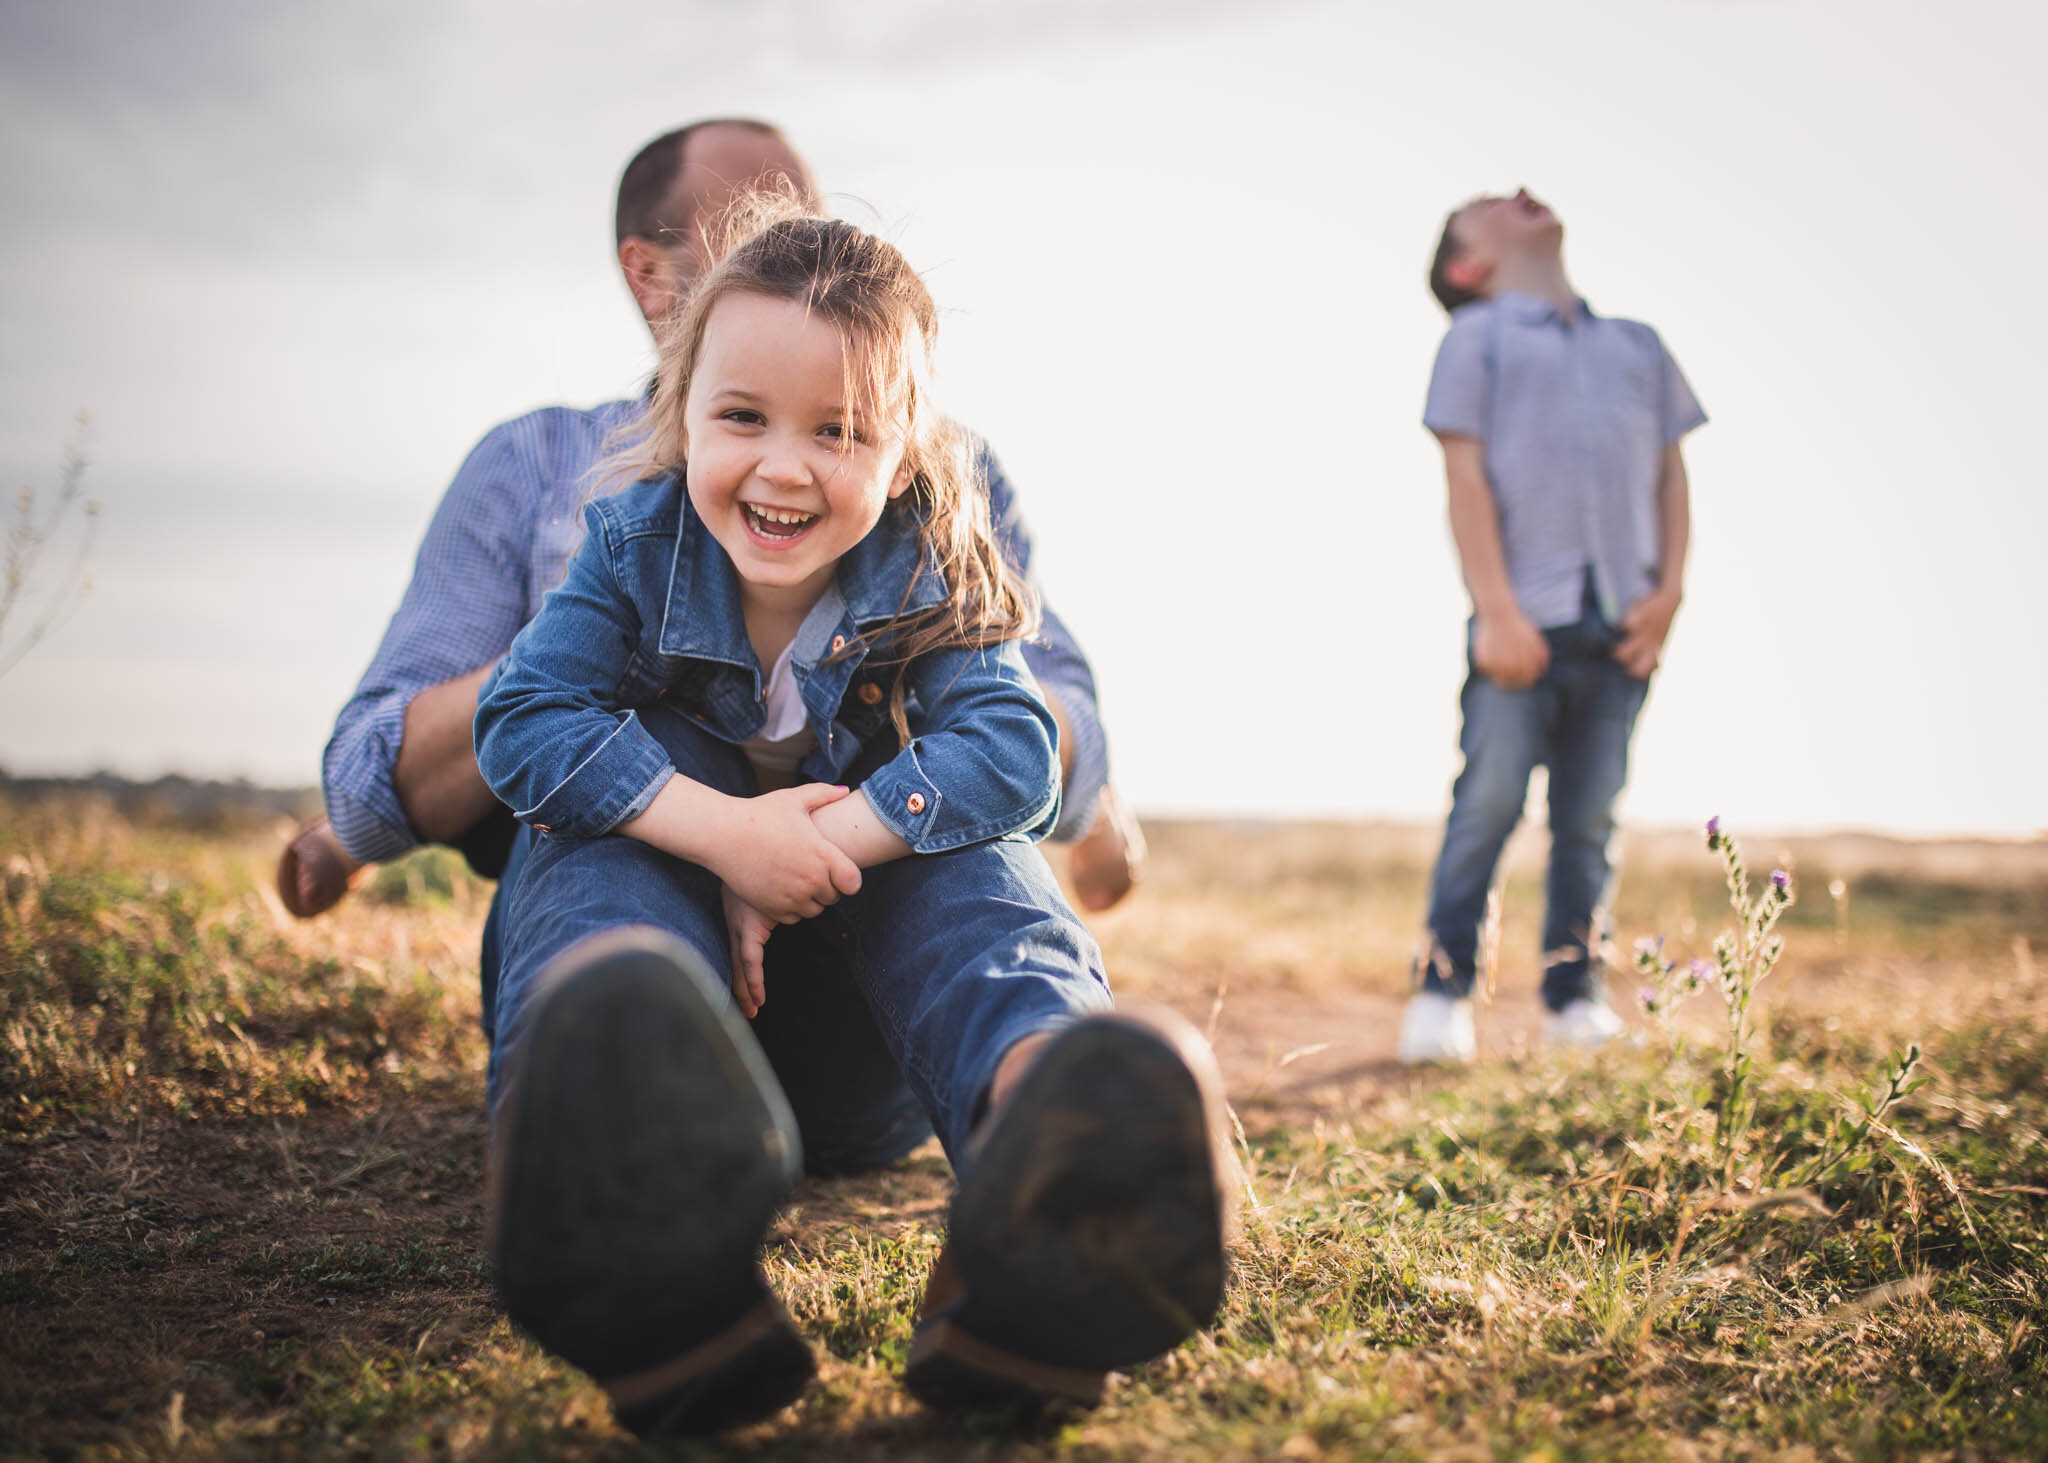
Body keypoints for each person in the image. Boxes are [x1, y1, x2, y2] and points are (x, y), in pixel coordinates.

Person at [471, 202, 1230, 1437]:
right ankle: (621, 1194)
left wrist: (820, 845)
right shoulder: (629, 546)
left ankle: (1048, 1153)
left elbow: (1017, 750)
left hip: (859, 1054)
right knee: (601, 794)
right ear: (679, 412)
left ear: (905, 452)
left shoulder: (932, 563)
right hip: (650, 1019)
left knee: (961, 829)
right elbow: (522, 720)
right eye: (742, 417)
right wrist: (727, 835)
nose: (783, 465)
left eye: (838, 429)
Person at [280, 119, 1144, 931]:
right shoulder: (535, 464)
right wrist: (612, 635)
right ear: (649, 276)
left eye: (812, 226)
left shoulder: (938, 474)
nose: (801, 261)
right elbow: (387, 765)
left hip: (875, 872)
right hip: (625, 861)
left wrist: (1048, 786)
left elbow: (1044, 707)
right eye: (753, 231)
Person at [1400, 188, 1705, 1065]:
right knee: (1489, 801)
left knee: (1590, 815)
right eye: (1485, 204)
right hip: (1520, 623)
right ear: (1468, 266)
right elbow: (1466, 482)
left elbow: (1670, 479)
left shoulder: (1636, 345)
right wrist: (1496, 610)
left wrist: (1671, 592)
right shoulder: (1475, 340)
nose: (1516, 191)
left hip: (1622, 626)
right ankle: (1440, 988)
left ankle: (1574, 996)